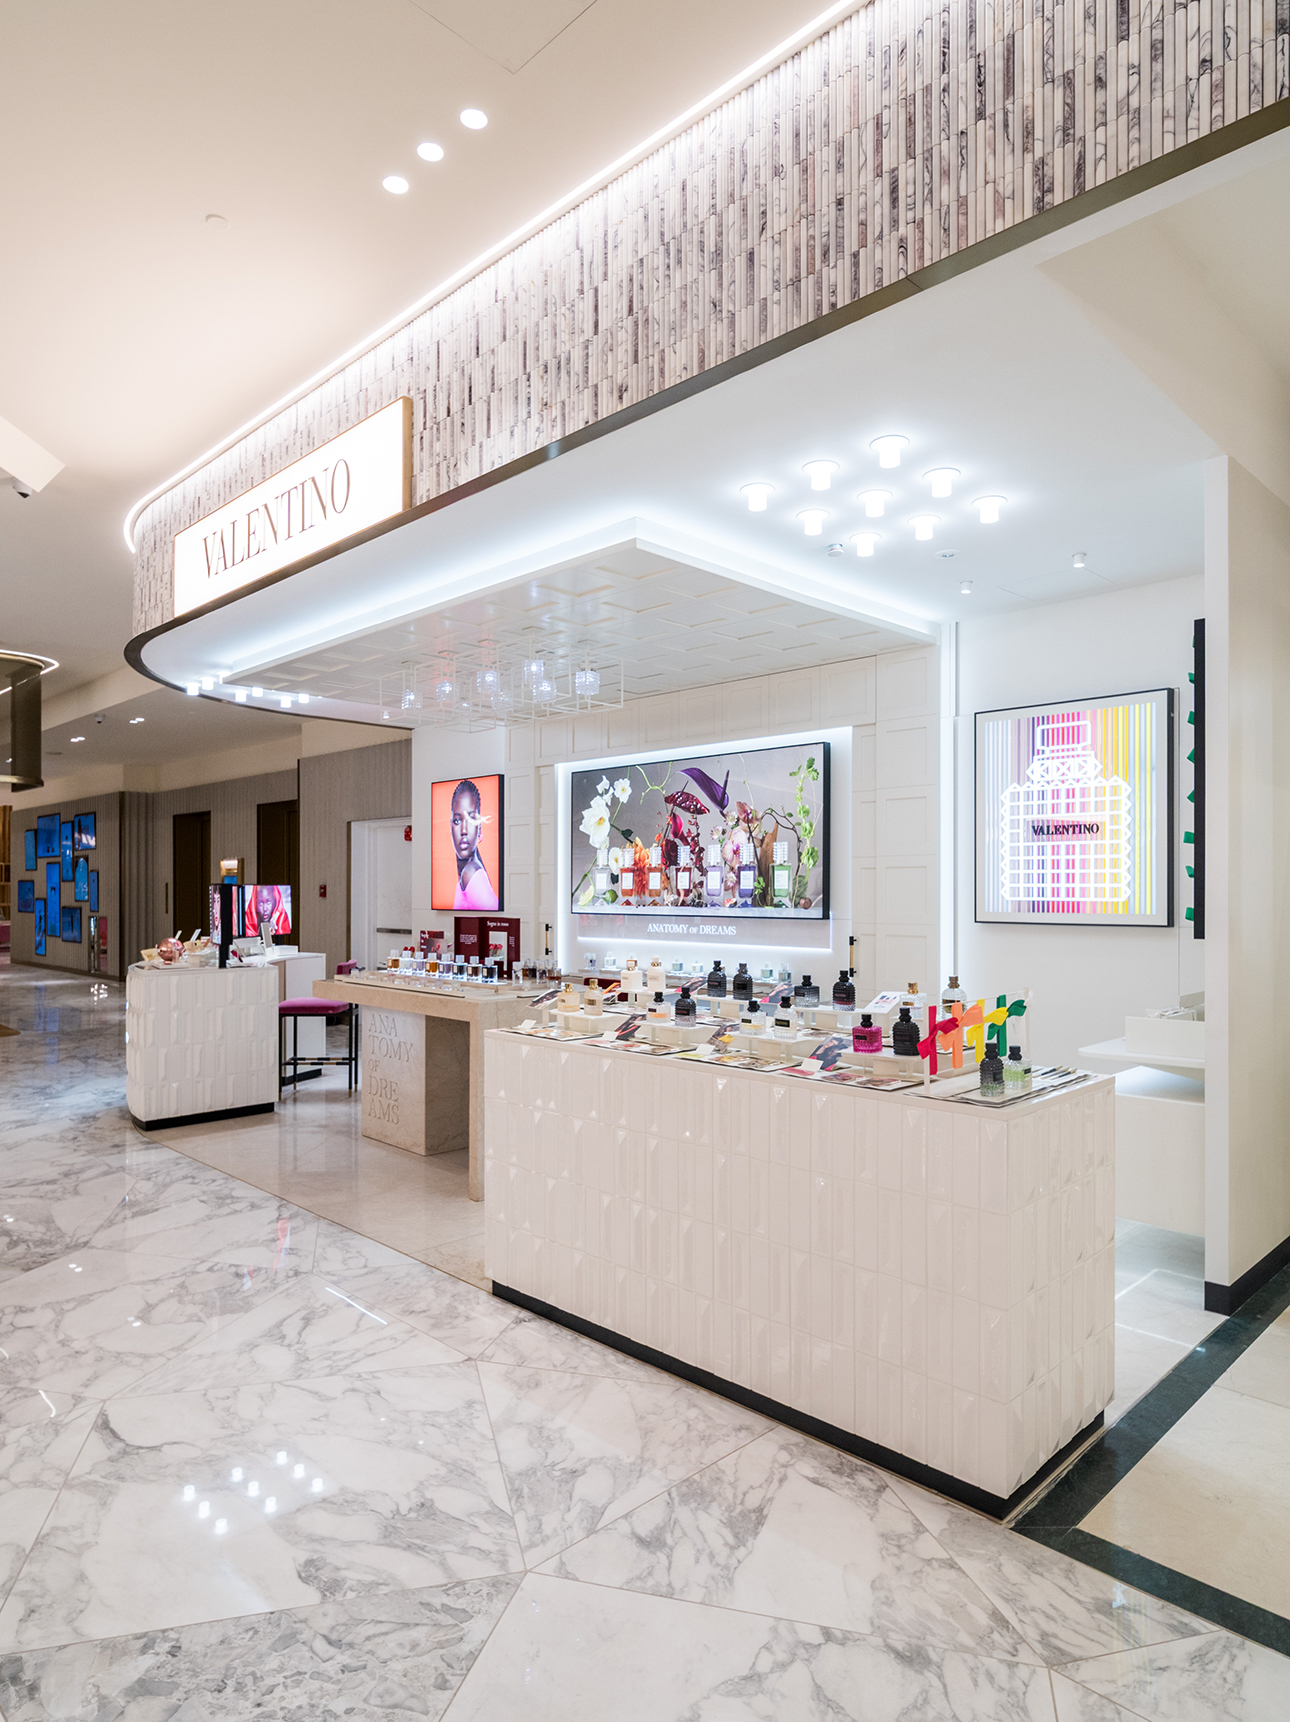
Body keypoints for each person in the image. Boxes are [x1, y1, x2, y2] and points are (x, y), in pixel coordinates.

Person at [450, 779, 498, 910]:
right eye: (457, 821)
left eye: (471, 819)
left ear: (479, 827)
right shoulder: (469, 872)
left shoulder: (470, 872)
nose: (464, 830)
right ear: (450, 827)